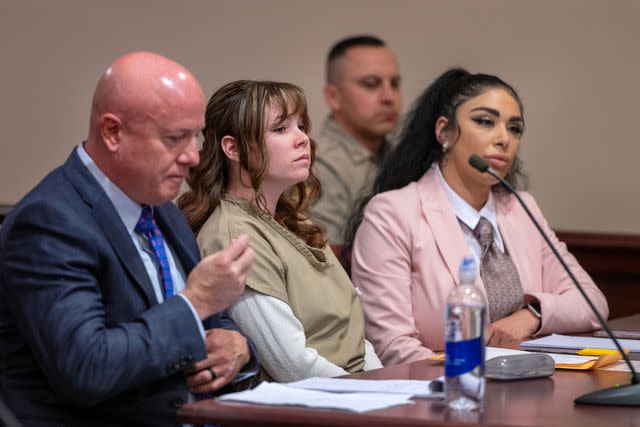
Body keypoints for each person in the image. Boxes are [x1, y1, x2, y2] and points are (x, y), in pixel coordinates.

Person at [0, 52, 258, 426]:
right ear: (112, 132)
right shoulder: (50, 222)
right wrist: (196, 302)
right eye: (174, 138)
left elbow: (211, 320)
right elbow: (87, 367)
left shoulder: (160, 206)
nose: (193, 157)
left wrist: (238, 347)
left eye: (195, 136)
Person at [346, 68, 609, 366]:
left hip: (528, 386)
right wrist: (475, 382)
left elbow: (591, 302)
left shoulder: (522, 208)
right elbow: (392, 346)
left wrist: (532, 315)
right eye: (485, 122)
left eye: (514, 128)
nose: (503, 139)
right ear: (444, 131)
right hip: (441, 395)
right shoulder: (393, 213)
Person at [178, 80, 382, 382]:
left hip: (358, 393)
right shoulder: (234, 236)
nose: (303, 139)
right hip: (319, 407)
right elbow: (292, 367)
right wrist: (376, 395)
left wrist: (387, 384)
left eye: (301, 126)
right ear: (233, 148)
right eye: (281, 129)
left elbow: (355, 340)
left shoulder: (298, 223)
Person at [310, 35, 402, 245]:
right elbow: (326, 259)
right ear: (334, 97)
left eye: (395, 84)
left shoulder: (399, 154)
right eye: (371, 84)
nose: (389, 97)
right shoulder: (316, 164)